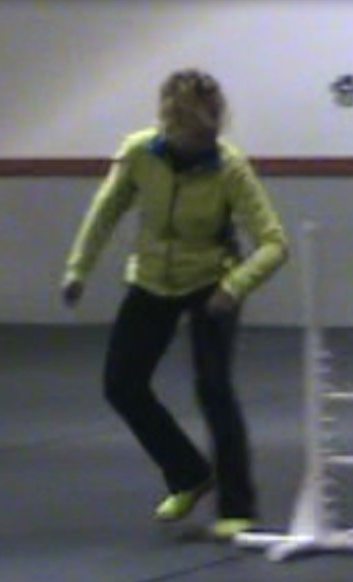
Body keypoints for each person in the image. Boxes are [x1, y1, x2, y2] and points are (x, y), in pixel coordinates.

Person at [60, 68, 289, 540]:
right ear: (170, 123)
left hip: (212, 284)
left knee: (214, 389)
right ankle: (188, 473)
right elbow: (103, 213)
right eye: (193, 132)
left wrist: (235, 286)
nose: (203, 140)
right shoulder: (139, 153)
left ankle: (238, 506)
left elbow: (274, 243)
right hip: (151, 281)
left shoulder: (229, 166)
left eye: (210, 131)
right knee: (122, 386)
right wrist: (78, 270)